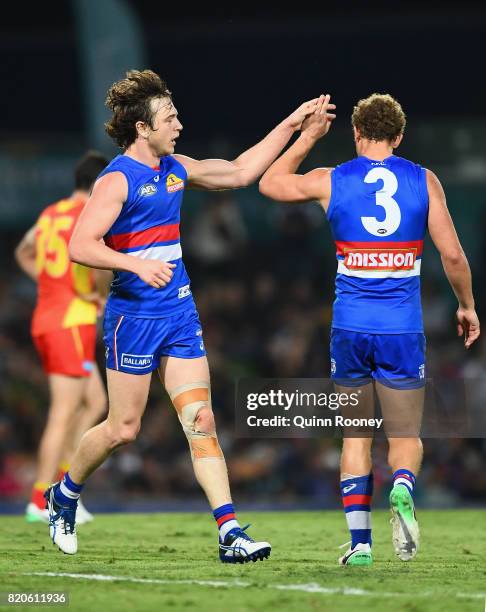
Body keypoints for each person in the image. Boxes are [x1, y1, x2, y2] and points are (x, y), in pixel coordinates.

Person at [44, 69, 324, 559]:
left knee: (202, 421)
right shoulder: (116, 179)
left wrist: (294, 125)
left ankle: (230, 533)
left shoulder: (174, 167)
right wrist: (133, 263)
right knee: (122, 429)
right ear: (142, 129)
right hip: (133, 319)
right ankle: (64, 494)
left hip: (178, 315)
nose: (178, 124)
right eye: (169, 117)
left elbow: (239, 172)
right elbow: (80, 245)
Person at [259, 93, 480, 566]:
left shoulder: (330, 180)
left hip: (350, 327)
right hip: (402, 328)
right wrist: (467, 306)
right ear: (399, 136)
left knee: (355, 438)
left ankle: (360, 545)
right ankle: (402, 487)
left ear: (355, 134)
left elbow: (270, 183)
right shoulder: (424, 180)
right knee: (404, 437)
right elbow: (455, 257)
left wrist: (307, 137)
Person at [15, 151, 110, 524]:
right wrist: (97, 295)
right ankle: (40, 499)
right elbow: (98, 260)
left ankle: (62, 486)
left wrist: (50, 284)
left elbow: (24, 251)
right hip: (71, 321)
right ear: (101, 183)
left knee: (96, 402)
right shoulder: (91, 214)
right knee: (63, 412)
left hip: (52, 318)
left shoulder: (50, 214)